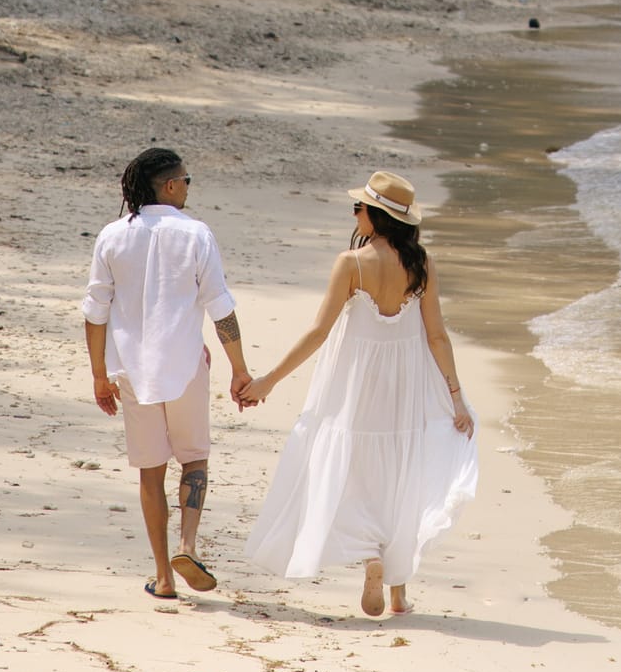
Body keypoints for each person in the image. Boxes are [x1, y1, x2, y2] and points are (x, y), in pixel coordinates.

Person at [241, 169, 477, 617]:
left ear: (376, 217)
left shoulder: (351, 263)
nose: (355, 213)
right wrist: (456, 398)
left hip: (355, 387)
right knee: (400, 475)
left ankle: (371, 556)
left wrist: (269, 381)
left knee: (355, 472)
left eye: (359, 208)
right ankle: (398, 592)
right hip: (405, 387)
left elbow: (318, 332)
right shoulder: (420, 264)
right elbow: (438, 337)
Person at [83, 144, 252, 601]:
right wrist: (240, 370)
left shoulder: (112, 237)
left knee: (150, 473)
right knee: (194, 457)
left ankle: (163, 576)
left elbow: (95, 313)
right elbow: (221, 308)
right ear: (172, 185)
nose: (188, 189)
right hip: (185, 368)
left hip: (133, 374)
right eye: (187, 181)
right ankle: (188, 545)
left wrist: (99, 375)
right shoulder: (196, 234)